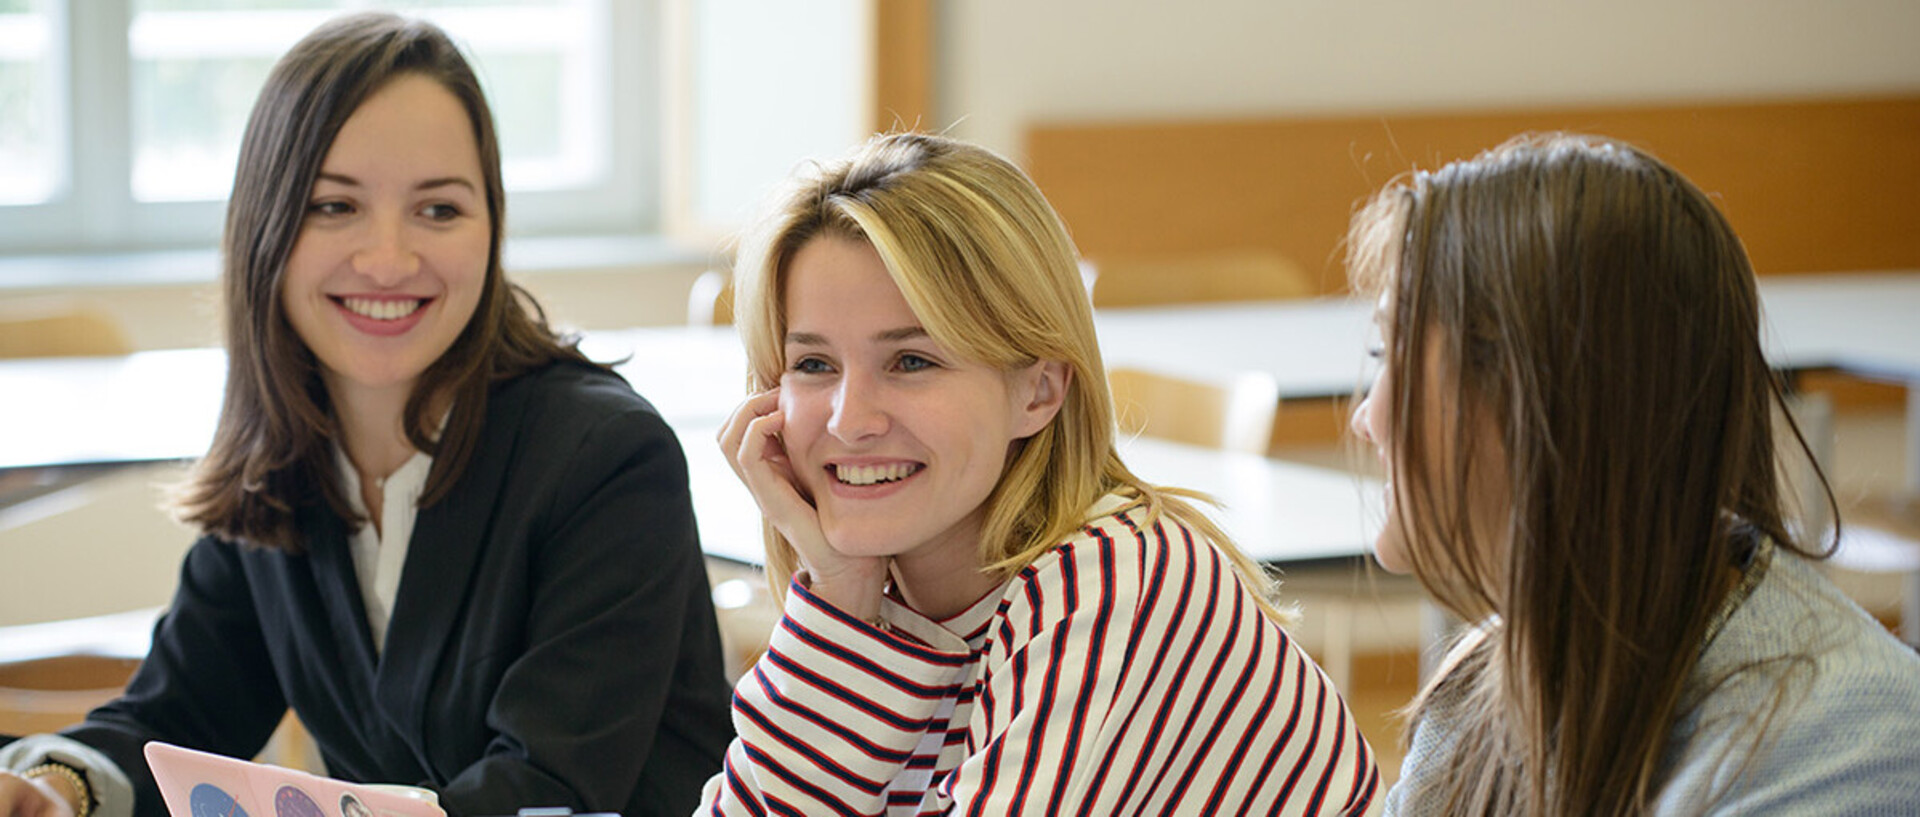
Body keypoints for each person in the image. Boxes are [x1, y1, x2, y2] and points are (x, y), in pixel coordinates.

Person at [0, 13, 732, 817]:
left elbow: (545, 788)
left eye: (440, 210)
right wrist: (56, 788)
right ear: (265, 227)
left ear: (492, 226)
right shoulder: (284, 454)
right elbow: (178, 716)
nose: (388, 258)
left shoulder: (606, 459)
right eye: (334, 206)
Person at [704, 132, 1381, 815]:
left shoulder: (1117, 585)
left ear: (1038, 390)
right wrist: (839, 596)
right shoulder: (877, 595)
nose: (849, 420)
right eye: (814, 365)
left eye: (912, 361)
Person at [1345, 133, 1920, 814]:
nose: (1368, 419)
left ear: (1545, 406)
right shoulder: (1490, 682)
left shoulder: (1847, 755)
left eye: (1397, 356)